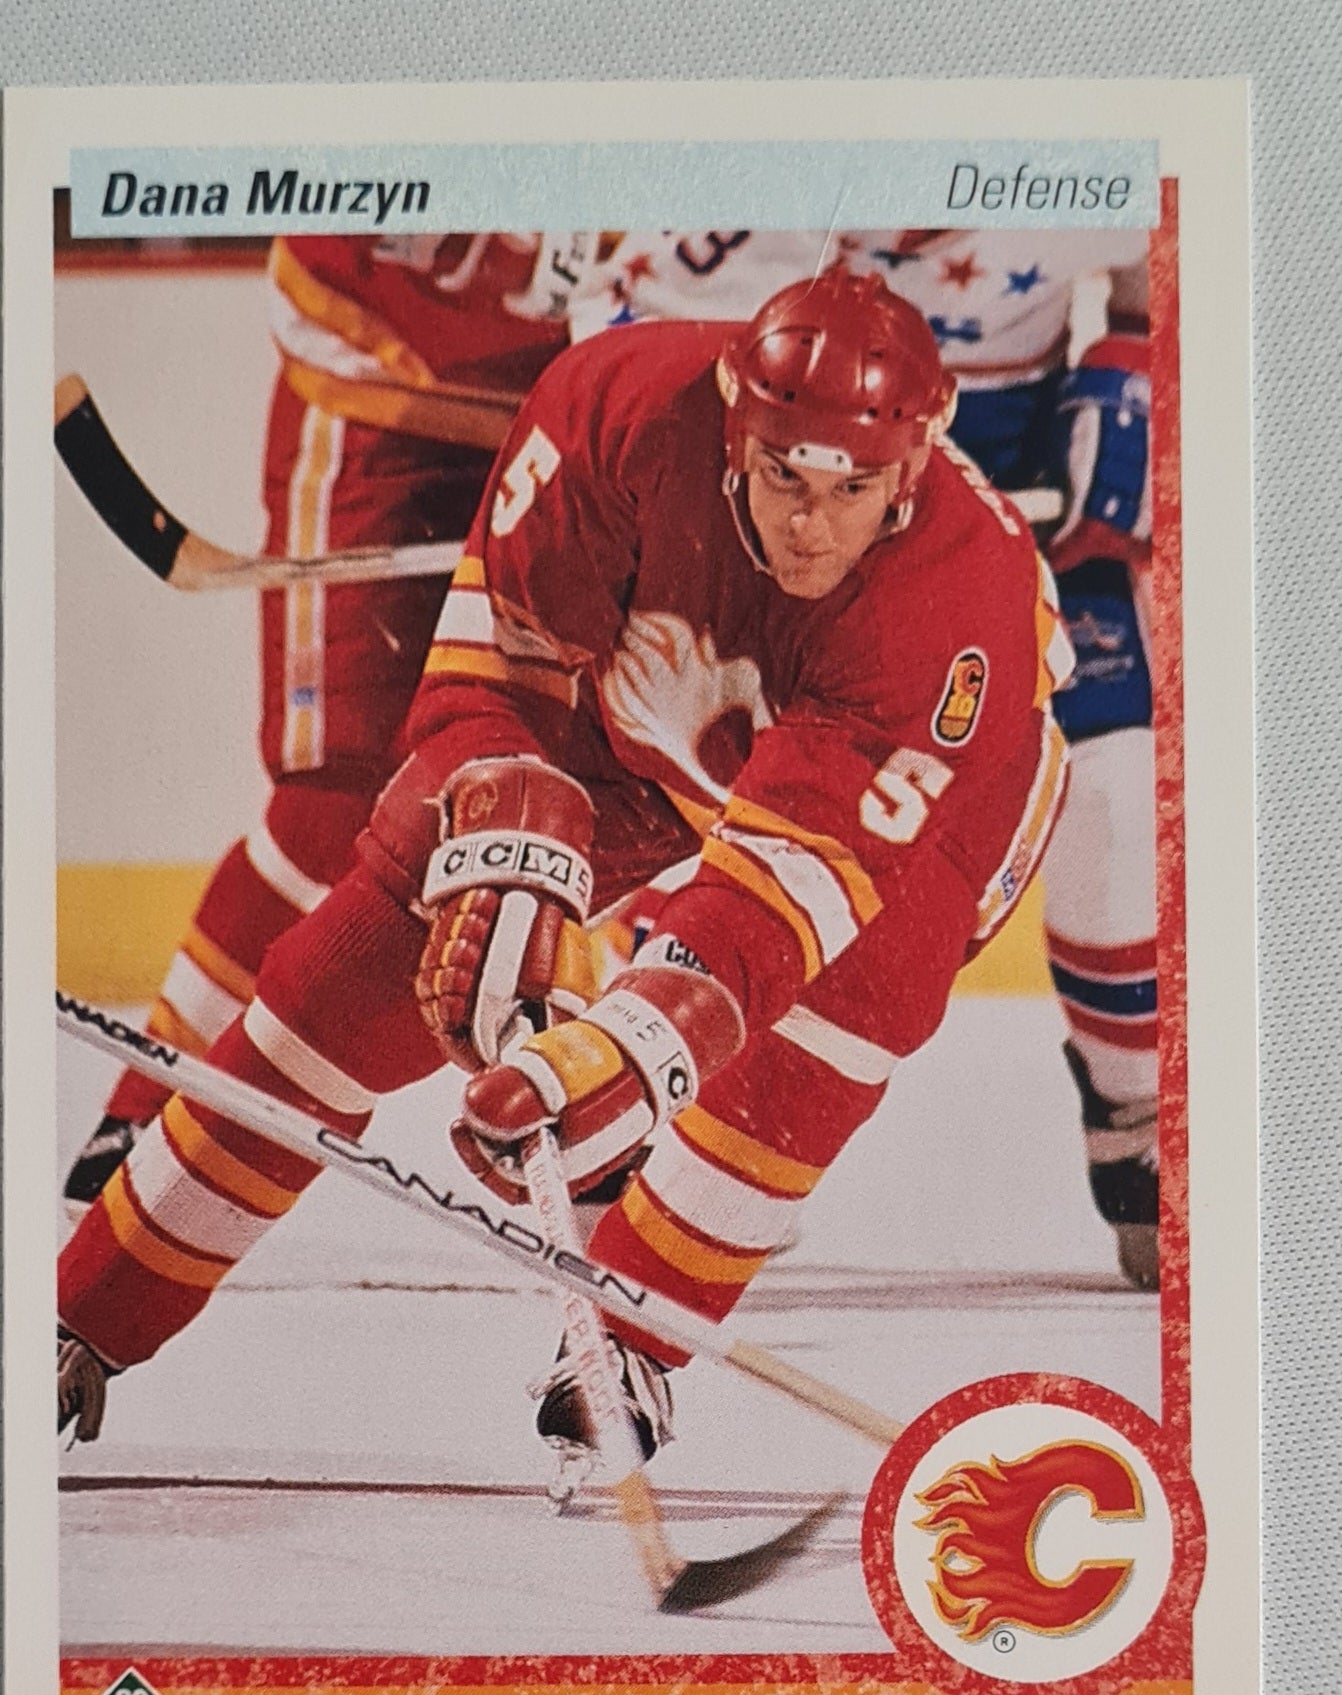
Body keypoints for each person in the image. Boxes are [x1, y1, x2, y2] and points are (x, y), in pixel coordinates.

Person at [57, 271, 1074, 1470]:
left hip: (935, 811)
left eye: (851, 490)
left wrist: (613, 1060)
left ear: (909, 468)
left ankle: (632, 1332)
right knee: (357, 964)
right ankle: (83, 1311)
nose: (812, 523)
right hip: (648, 727)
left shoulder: (954, 606)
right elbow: (490, 680)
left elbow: (759, 925)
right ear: (737, 426)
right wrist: (508, 830)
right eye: (785, 477)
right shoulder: (615, 407)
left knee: (840, 1019)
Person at [575, 228, 1159, 1285]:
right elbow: (620, 341)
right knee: (707, 772)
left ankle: (1138, 1114)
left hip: (1012, 514)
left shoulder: (1073, 152)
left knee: (1117, 802)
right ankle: (693, 1094)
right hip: (780, 519)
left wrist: (1134, 379)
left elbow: (1171, 260)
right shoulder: (755, 183)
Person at [63, 231, 587, 1214]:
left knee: (588, 778)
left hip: (581, 423)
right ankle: (145, 1109)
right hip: (380, 397)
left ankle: (590, 1132)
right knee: (332, 803)